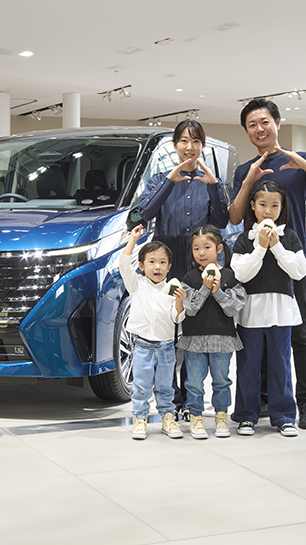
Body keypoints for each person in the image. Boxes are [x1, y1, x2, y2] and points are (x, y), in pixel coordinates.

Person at [229, 98, 306, 429]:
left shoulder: (300, 161)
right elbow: (234, 216)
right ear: (247, 131)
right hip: (255, 263)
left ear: (277, 123)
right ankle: (265, 399)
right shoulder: (244, 170)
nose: (259, 129)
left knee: (299, 334)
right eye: (252, 125)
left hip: (291, 261)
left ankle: (305, 402)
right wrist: (248, 181)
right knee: (259, 334)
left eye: (264, 122)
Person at [139, 119, 229, 417]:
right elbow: (146, 212)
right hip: (167, 263)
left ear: (202, 145)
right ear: (175, 145)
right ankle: (170, 399)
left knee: (191, 331)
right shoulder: (159, 179)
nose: (190, 147)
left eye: (196, 141)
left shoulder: (210, 180)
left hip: (197, 264)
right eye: (184, 141)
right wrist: (170, 181)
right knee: (168, 330)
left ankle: (190, 400)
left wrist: (214, 186)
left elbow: (222, 221)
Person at [231, 180, 306, 437]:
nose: (268, 210)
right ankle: (246, 416)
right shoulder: (245, 239)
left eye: (275, 205)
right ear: (253, 206)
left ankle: (284, 417)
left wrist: (276, 246)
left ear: (282, 208)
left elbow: (299, 271)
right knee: (248, 366)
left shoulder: (290, 237)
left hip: (281, 312)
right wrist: (260, 248)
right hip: (251, 313)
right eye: (263, 204)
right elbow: (241, 273)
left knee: (281, 365)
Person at [118, 224, 186, 440]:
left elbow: (177, 318)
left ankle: (168, 418)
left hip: (166, 348)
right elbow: (123, 265)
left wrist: (180, 302)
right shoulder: (136, 284)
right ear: (141, 266)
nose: (158, 267)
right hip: (143, 346)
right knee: (141, 386)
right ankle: (140, 419)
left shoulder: (173, 289)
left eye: (163, 262)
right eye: (152, 262)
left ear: (169, 267)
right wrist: (133, 240)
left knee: (166, 387)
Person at [178, 225, 246, 439]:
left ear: (218, 248)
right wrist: (205, 288)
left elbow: (233, 309)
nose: (201, 253)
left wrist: (217, 291)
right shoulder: (189, 277)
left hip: (222, 339)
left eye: (206, 247)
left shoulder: (230, 276)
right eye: (196, 248)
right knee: (194, 383)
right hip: (194, 339)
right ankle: (196, 417)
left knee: (222, 381)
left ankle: (221, 416)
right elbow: (189, 309)